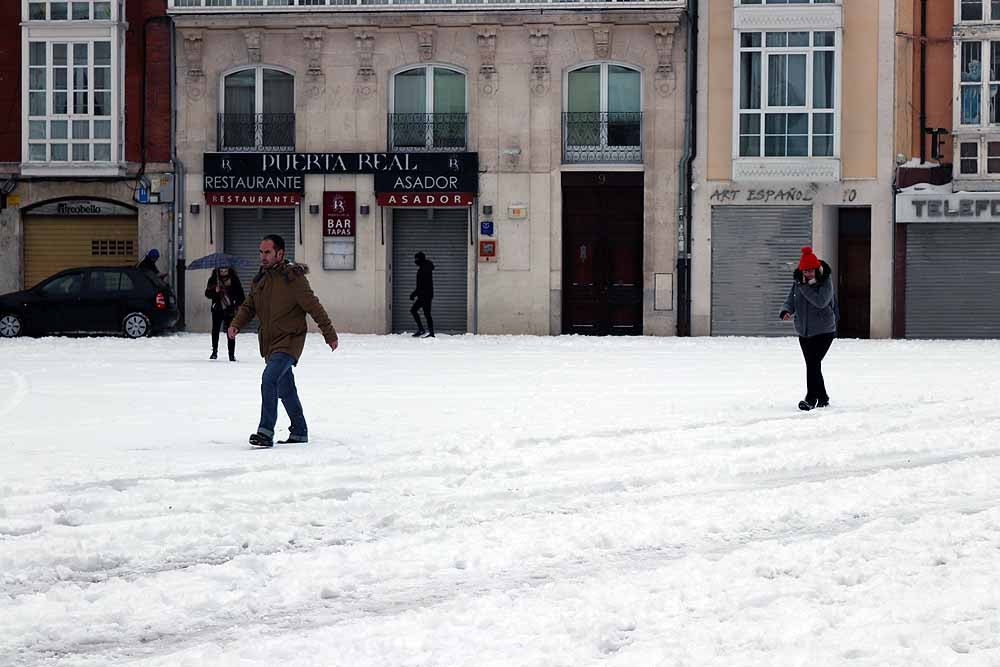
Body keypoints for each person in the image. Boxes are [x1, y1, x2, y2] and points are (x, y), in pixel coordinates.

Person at [228, 234, 339, 448]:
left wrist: (329, 334)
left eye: (267, 252)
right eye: (261, 252)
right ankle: (299, 431)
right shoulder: (261, 278)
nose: (263, 256)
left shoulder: (293, 278)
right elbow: (249, 306)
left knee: (269, 379)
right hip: (269, 342)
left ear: (280, 253)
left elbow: (313, 306)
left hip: (290, 340)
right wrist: (236, 324)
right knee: (285, 388)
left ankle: (265, 431)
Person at [779, 246, 839, 411]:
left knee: (813, 363)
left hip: (824, 331)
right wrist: (786, 310)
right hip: (804, 331)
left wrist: (804, 287)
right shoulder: (797, 283)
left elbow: (821, 302)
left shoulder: (825, 281)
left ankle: (811, 398)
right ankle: (823, 397)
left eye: (811, 271)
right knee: (813, 364)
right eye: (805, 272)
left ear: (816, 269)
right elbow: (791, 299)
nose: (808, 274)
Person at [205, 266, 245, 361]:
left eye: (225, 270)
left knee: (231, 330)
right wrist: (215, 291)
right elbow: (207, 294)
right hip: (217, 308)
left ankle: (231, 354)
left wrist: (238, 304)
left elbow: (240, 294)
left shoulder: (234, 279)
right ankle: (214, 351)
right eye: (221, 270)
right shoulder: (214, 279)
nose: (223, 272)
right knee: (215, 330)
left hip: (230, 309)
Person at [409, 251, 435, 338]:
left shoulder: (424, 269)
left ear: (420, 259)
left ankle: (431, 333)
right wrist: (415, 294)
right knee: (414, 310)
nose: (415, 261)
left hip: (425, 295)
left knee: (427, 313)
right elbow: (420, 285)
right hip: (423, 295)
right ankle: (422, 330)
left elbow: (422, 285)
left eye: (416, 259)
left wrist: (414, 294)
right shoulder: (423, 267)